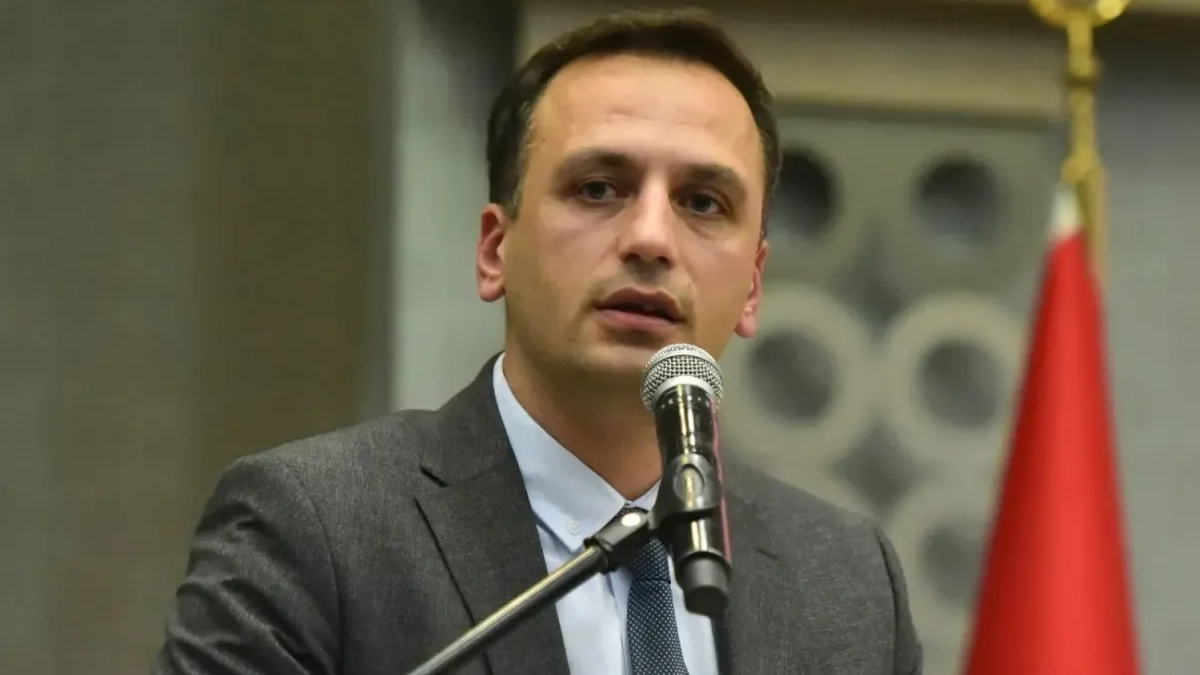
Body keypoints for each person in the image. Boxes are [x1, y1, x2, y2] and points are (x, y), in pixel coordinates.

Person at [154, 8, 923, 675]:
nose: (651, 239)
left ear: (753, 286)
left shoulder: (847, 581)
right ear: (496, 250)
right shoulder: (314, 530)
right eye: (598, 188)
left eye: (702, 202)